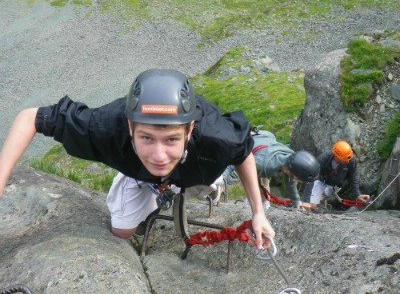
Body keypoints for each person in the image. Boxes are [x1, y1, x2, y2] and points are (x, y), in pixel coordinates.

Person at [0, 69, 274, 249]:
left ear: (189, 130)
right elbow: (31, 118)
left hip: (196, 167)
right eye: (146, 138)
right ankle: (155, 189)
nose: (158, 155)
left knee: (204, 176)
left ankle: (211, 184)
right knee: (121, 231)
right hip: (138, 173)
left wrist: (258, 213)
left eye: (171, 139)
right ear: (130, 127)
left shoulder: (216, 139)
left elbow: (242, 153)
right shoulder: (106, 127)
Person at [224, 130, 320, 209]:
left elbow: (290, 182)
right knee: (250, 179)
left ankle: (263, 202)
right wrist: (222, 178)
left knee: (263, 184)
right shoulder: (265, 164)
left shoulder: (291, 160)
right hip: (250, 143)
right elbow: (236, 163)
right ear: (294, 174)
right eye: (300, 179)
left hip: (266, 143)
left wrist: (296, 202)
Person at [302, 140, 370, 209]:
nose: (347, 161)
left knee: (323, 197)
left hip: (336, 185)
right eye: (345, 160)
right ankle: (314, 201)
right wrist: (306, 200)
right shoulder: (325, 157)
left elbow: (353, 178)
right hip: (321, 181)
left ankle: (322, 201)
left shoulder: (351, 161)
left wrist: (357, 195)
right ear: (336, 156)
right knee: (311, 206)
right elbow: (311, 176)